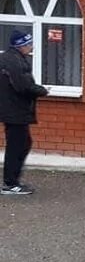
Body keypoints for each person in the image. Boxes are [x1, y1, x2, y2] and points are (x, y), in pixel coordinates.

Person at [0, 31, 49, 195]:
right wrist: (42, 91)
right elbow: (23, 86)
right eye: (28, 44)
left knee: (23, 143)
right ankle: (10, 183)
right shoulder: (15, 62)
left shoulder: (8, 58)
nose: (30, 47)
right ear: (20, 45)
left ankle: (12, 181)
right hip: (15, 111)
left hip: (12, 110)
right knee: (18, 146)